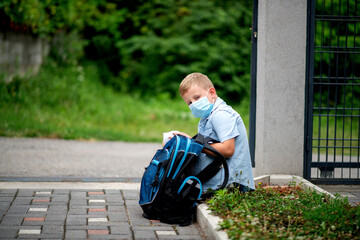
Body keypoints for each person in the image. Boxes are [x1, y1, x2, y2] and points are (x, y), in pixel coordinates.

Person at [177, 72, 255, 192]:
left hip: (233, 185)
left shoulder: (221, 114)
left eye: (197, 97)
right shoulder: (207, 117)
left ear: (212, 93)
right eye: (190, 103)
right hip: (218, 183)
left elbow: (228, 149)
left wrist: (195, 145)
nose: (194, 104)